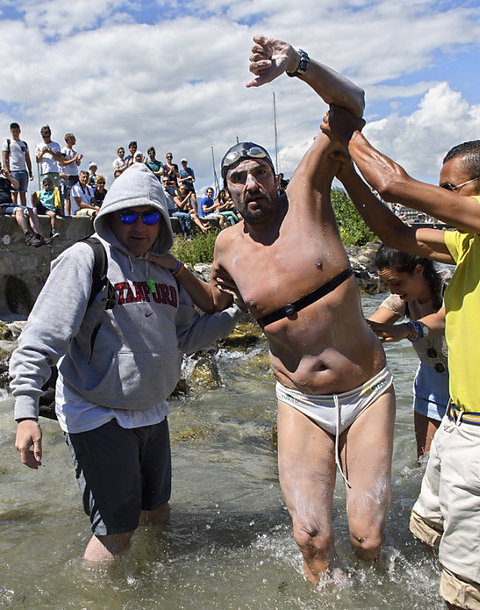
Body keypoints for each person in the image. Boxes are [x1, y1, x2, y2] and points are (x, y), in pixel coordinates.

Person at [172, 35, 394, 584]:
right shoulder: (225, 246)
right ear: (225, 191)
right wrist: (165, 268)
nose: (252, 184)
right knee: (312, 540)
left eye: (260, 172)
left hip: (365, 390)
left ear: (275, 176)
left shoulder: (310, 195)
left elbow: (350, 105)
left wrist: (297, 65)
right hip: (298, 400)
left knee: (367, 539)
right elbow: (216, 304)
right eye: (238, 178)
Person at [325, 106, 480, 608]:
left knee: (470, 590)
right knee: (428, 529)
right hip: (459, 425)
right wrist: (346, 173)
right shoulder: (472, 246)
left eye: (449, 190)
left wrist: (349, 134)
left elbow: (395, 185)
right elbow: (395, 234)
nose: (439, 202)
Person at [9, 164, 244, 562]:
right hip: (95, 411)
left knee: (157, 514)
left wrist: (239, 315)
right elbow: (40, 338)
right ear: (111, 216)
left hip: (152, 410)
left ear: (163, 221)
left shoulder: (166, 272)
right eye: (128, 215)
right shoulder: (85, 259)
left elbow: (183, 336)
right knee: (116, 533)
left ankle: (153, 588)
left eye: (150, 215)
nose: (139, 226)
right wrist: (25, 412)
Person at [367, 245, 450, 457]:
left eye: (396, 283)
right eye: (387, 285)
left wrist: (406, 330)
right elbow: (370, 328)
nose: (393, 290)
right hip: (431, 380)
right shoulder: (403, 298)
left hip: (467, 382)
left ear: (419, 270)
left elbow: (444, 319)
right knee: (425, 460)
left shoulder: (451, 288)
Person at [0, 159, 47, 247]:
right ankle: (27, 236)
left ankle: (38, 235)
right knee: (19, 210)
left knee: (33, 210)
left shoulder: (5, 181)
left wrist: (8, 176)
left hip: (10, 204)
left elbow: (17, 186)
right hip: (0, 206)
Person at [2, 122, 33, 205]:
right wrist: (7, 171)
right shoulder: (8, 143)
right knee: (14, 192)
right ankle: (15, 208)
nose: (15, 133)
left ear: (20, 131)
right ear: (11, 132)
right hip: (13, 170)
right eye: (13, 132)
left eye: (16, 131)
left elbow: (27, 158)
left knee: (23, 193)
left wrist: (30, 171)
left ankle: (24, 209)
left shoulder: (24, 144)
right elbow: (4, 157)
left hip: (23, 170)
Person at [35, 125, 65, 193]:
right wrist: (42, 153)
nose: (46, 138)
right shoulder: (39, 146)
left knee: (56, 193)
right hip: (44, 173)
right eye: (44, 137)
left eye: (47, 136)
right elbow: (38, 160)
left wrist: (51, 152)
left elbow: (60, 159)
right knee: (44, 193)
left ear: (50, 134)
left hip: (54, 172)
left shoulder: (56, 145)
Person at [60, 133, 83, 200]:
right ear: (69, 139)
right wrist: (74, 159)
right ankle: (68, 210)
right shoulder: (63, 150)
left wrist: (78, 159)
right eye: (73, 139)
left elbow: (78, 164)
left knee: (76, 193)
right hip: (68, 175)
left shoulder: (74, 151)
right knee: (68, 195)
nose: (75, 140)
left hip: (75, 174)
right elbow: (62, 163)